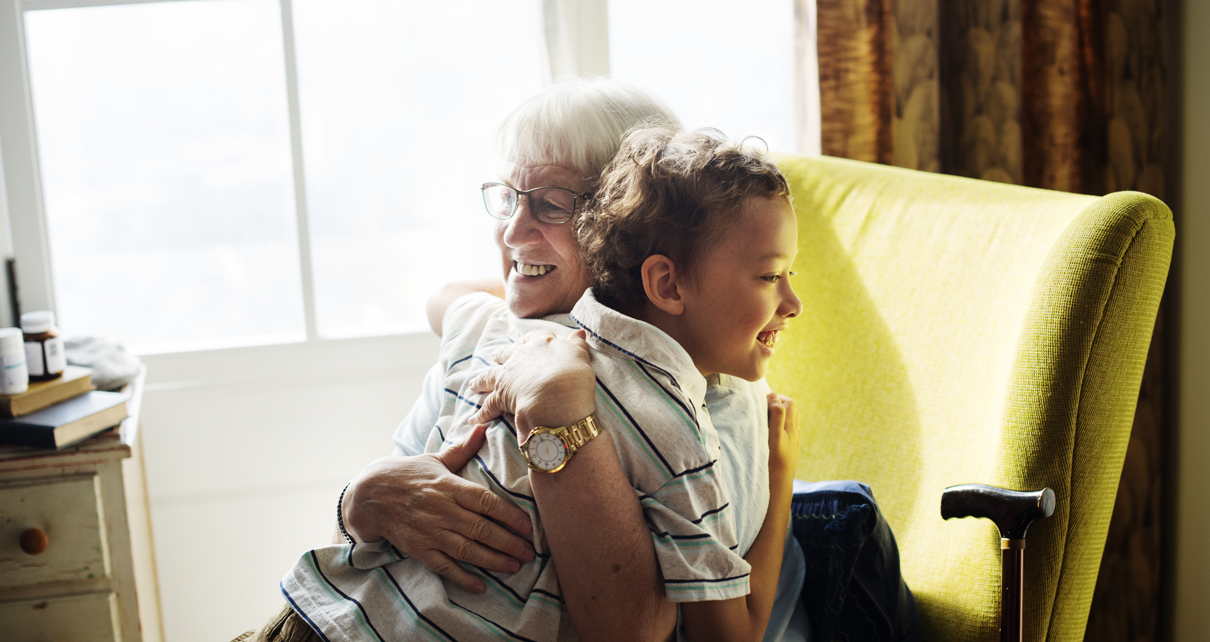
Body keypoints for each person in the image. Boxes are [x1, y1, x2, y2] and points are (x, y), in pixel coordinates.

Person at [280, 126, 803, 642]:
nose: (512, 232)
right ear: (662, 281)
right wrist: (783, 480)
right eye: (507, 199)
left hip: (319, 611)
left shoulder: (500, 339)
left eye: (552, 205)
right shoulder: (675, 431)